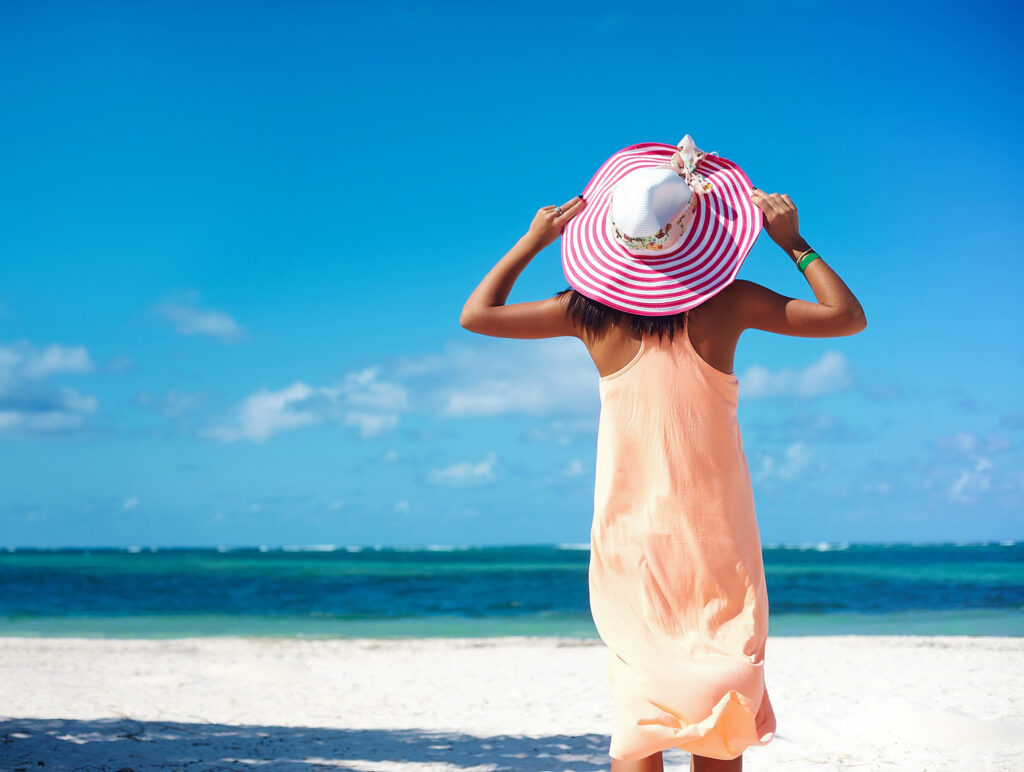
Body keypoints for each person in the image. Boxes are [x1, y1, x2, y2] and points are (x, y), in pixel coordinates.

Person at [460, 136, 866, 772]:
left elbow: (477, 315)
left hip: (631, 539)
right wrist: (793, 241)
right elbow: (845, 317)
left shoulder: (585, 313)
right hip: (717, 538)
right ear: (701, 232)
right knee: (720, 710)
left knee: (643, 715)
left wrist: (533, 240)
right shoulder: (728, 302)